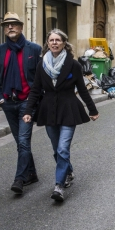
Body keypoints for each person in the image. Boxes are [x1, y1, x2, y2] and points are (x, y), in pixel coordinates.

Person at [23, 29, 99, 202]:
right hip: (48, 110)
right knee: (57, 148)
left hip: (68, 109)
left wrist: (92, 109)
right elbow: (35, 90)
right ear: (48, 43)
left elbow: (82, 89)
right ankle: (68, 171)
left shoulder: (74, 65)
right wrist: (28, 111)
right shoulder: (42, 64)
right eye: (51, 40)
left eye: (58, 40)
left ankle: (59, 185)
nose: (55, 43)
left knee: (63, 148)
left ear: (64, 43)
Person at [0, 12, 42, 195]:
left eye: (13, 24)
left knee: (23, 140)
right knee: (20, 142)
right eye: (7, 25)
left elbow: (39, 78)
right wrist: (0, 99)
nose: (10, 27)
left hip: (27, 103)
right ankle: (32, 174)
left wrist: (35, 100)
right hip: (9, 103)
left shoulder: (34, 49)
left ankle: (19, 179)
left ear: (21, 27)